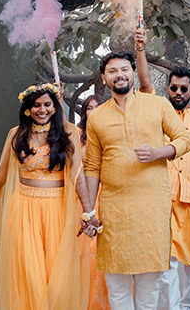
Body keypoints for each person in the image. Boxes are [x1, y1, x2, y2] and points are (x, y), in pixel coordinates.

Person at [82, 51, 190, 310]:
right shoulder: (96, 117)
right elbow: (92, 167)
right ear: (104, 78)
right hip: (114, 212)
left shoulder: (157, 104)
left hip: (151, 209)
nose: (119, 74)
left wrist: (158, 153)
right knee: (117, 287)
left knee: (149, 286)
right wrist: (89, 211)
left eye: (124, 69)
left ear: (133, 73)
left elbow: (185, 140)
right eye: (112, 71)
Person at [0, 84, 94, 310]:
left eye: (47, 104)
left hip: (57, 212)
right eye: (36, 105)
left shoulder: (67, 134)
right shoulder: (17, 134)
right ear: (28, 108)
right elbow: (1, 175)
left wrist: (88, 212)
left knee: (56, 275)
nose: (42, 109)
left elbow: (78, 176)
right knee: (29, 275)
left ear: (55, 107)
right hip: (24, 211)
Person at [132, 29, 190, 310]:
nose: (178, 93)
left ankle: (188, 308)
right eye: (174, 88)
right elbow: (145, 83)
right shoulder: (157, 111)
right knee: (166, 265)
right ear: (168, 89)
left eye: (184, 88)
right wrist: (141, 49)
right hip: (163, 199)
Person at [78, 93, 111, 310]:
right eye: (89, 107)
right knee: (82, 254)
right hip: (82, 200)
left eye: (98, 107)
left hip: (105, 198)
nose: (94, 110)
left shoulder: (109, 134)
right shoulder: (77, 135)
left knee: (101, 252)